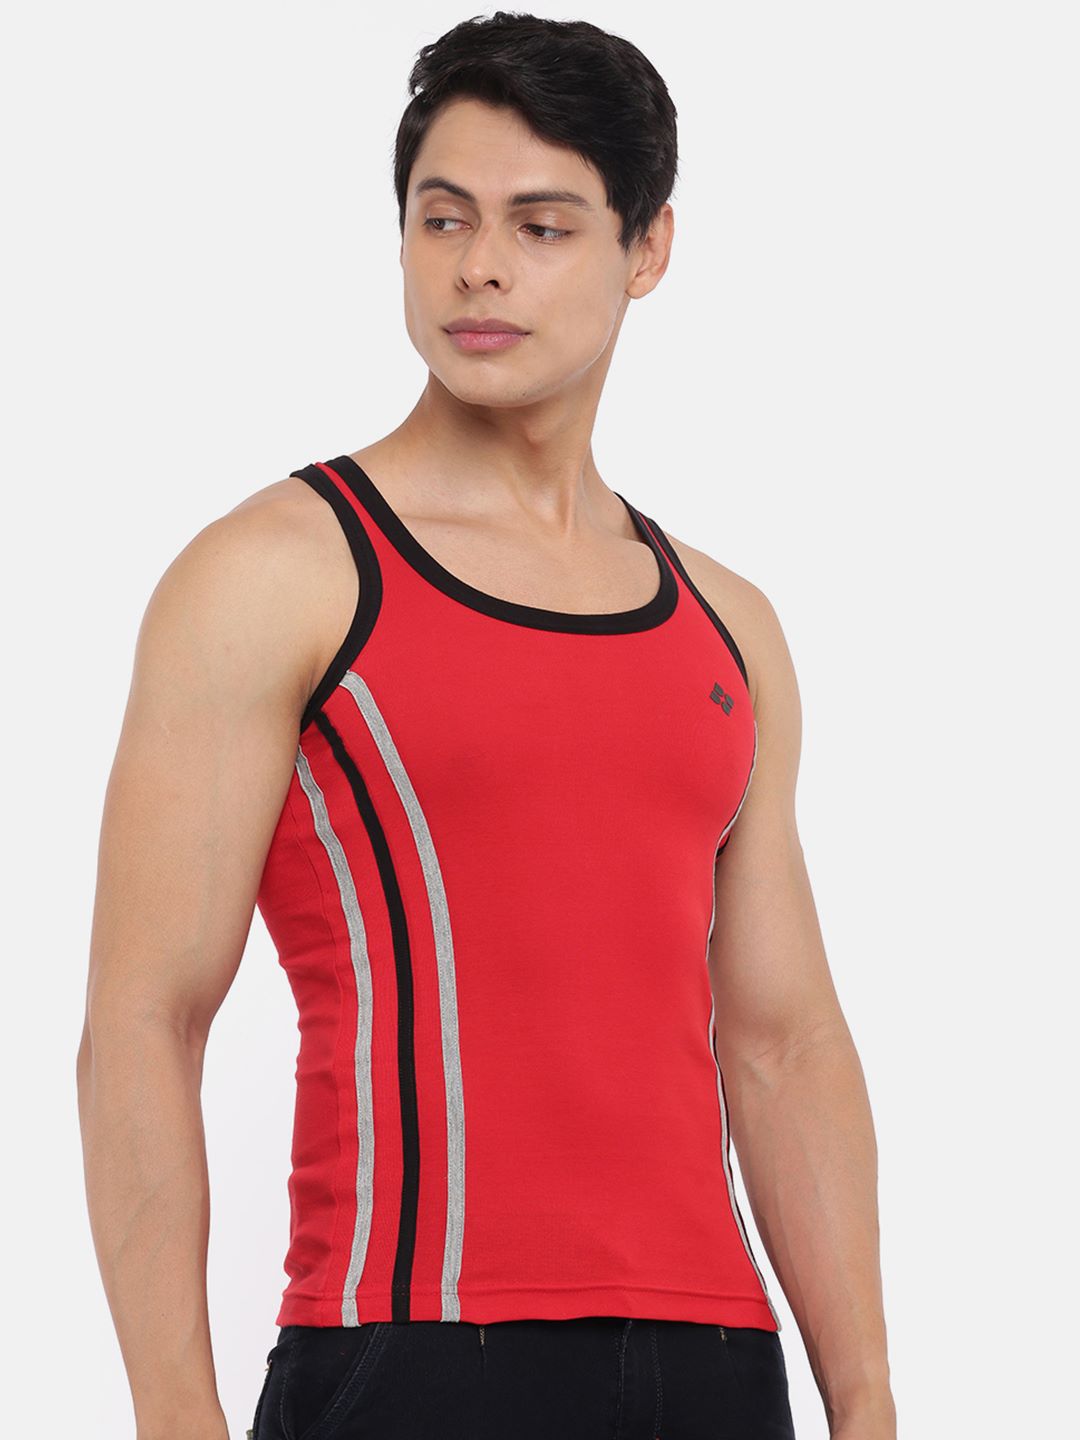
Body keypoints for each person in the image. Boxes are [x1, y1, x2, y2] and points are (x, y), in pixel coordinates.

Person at [77, 12, 896, 1440]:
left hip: (716, 1362)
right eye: (442, 217)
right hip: (413, 1355)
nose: (479, 267)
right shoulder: (278, 575)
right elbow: (144, 1021)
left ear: (648, 249)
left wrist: (869, 1404)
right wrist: (173, 1418)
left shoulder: (726, 624)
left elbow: (783, 1042)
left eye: (544, 225)